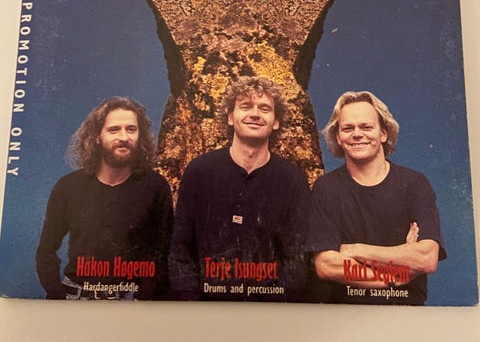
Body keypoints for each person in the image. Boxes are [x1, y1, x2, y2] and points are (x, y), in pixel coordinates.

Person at [169, 76, 310, 301]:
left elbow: (297, 261)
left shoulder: (293, 179)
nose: (255, 114)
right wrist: (194, 308)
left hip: (270, 313)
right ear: (230, 117)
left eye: (264, 108)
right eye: (245, 106)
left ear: (276, 122)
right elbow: (180, 250)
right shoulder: (199, 171)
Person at [307, 91, 446, 305]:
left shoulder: (414, 184)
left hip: (406, 314)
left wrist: (353, 249)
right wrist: (394, 274)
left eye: (366, 127)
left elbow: (425, 259)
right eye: (348, 128)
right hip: (344, 316)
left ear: (383, 133)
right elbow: (326, 265)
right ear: (338, 137)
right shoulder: (326, 188)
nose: (357, 134)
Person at [36, 96, 173, 300]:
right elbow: (46, 252)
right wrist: (57, 297)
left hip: (132, 302)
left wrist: (142, 300)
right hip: (75, 300)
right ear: (97, 137)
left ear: (141, 136)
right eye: (114, 130)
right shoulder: (67, 187)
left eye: (131, 129)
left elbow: (163, 254)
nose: (124, 137)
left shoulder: (156, 187)